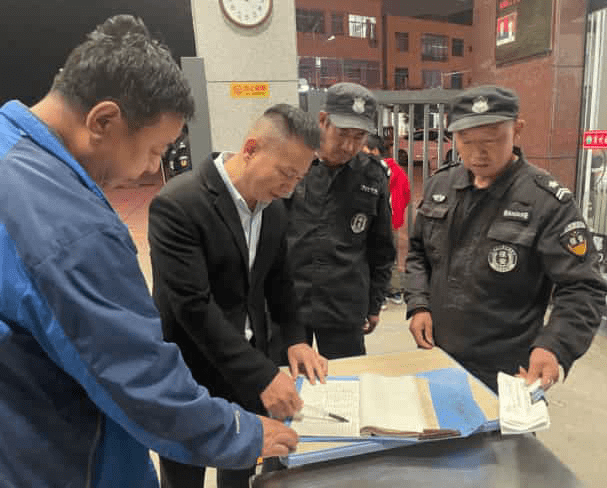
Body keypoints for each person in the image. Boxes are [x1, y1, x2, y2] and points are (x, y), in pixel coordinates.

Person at [0, 15, 297, 488]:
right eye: (155, 150)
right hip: (66, 461)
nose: (148, 170)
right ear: (103, 121)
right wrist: (238, 431)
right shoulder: (68, 226)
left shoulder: (9, 149)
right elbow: (134, 374)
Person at [148, 104, 327, 488]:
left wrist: (295, 338)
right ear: (250, 149)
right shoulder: (179, 203)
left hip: (246, 368)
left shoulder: (273, 209)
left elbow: (279, 281)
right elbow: (192, 307)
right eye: (286, 173)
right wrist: (263, 375)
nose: (290, 188)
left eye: (299, 178)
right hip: (189, 373)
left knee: (242, 472)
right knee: (184, 476)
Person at [405, 85, 607, 393]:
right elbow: (418, 252)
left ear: (517, 129)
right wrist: (419, 304)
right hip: (437, 355)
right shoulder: (440, 186)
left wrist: (555, 346)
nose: (477, 153)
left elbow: (584, 287)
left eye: (491, 140)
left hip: (509, 370)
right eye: (466, 141)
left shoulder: (545, 202)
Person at [285, 82, 396, 360]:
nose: (349, 146)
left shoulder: (373, 176)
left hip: (343, 305)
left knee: (347, 378)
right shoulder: (292, 165)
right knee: (285, 376)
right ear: (323, 121)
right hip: (288, 300)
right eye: (342, 134)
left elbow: (382, 247)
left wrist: (374, 303)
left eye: (359, 137)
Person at [363, 133, 411, 304]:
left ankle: (382, 294)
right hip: (393, 219)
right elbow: (406, 195)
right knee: (390, 256)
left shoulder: (376, 170)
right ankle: (394, 292)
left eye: (365, 151)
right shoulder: (397, 169)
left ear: (375, 151)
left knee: (376, 256)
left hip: (380, 220)